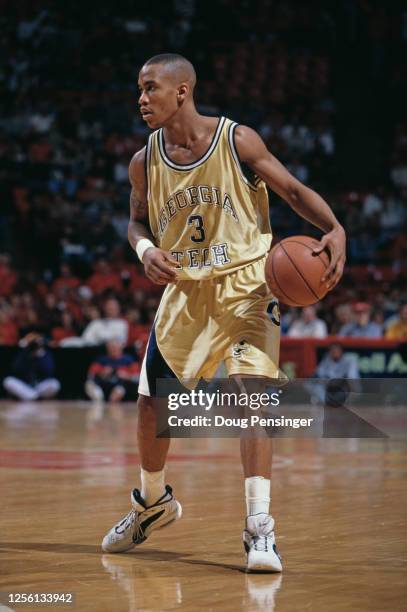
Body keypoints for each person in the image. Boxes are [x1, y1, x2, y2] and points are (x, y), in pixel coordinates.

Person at [102, 53, 346, 573]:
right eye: (139, 90)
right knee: (152, 410)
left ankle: (259, 528)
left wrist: (335, 227)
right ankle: (153, 503)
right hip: (185, 294)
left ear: (182, 91)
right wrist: (146, 253)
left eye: (150, 89)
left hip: (249, 287)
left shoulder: (237, 141)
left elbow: (293, 191)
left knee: (251, 398)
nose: (141, 99)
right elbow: (135, 224)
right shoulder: (143, 161)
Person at [3, 333, 60, 401]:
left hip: (39, 386)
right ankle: (33, 397)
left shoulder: (45, 353)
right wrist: (27, 355)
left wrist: (40, 357)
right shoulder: (23, 353)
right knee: (8, 381)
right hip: (24, 386)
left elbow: (49, 371)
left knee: (54, 384)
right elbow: (16, 369)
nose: (34, 346)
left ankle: (30, 396)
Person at [60, 297, 128, 347]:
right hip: (90, 349)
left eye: (113, 307)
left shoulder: (122, 323)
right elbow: (85, 339)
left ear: (118, 309)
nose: (111, 309)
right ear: (105, 308)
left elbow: (115, 339)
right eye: (109, 306)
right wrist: (63, 342)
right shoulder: (96, 322)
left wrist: (98, 335)